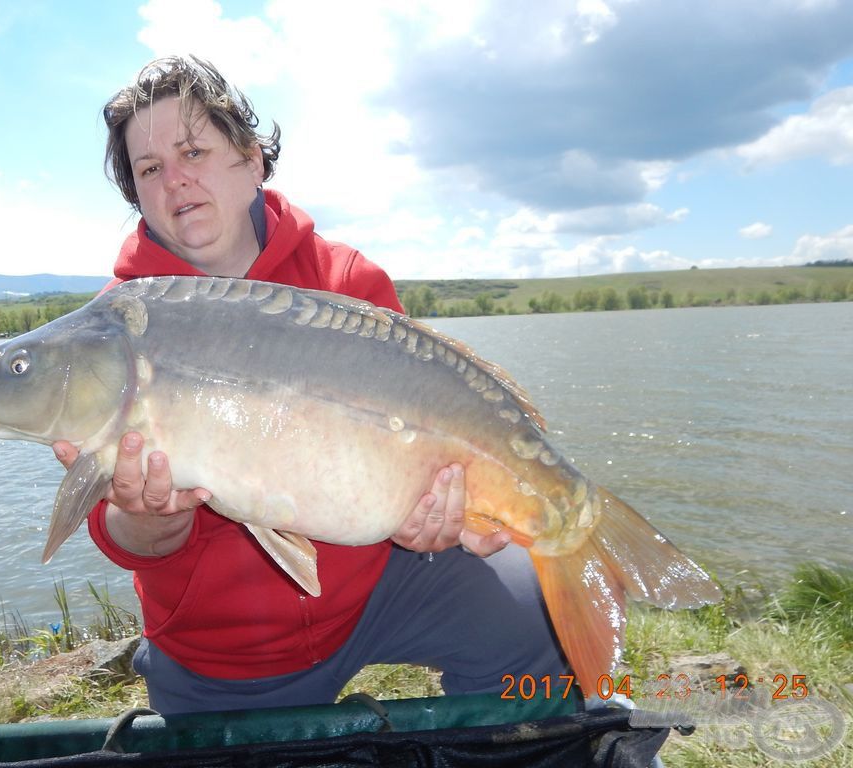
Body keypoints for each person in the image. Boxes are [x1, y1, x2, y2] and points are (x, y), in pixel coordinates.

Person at [53, 56, 569, 715]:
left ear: (250, 159)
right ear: (139, 197)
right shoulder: (109, 338)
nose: (175, 180)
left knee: (537, 607)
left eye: (194, 151)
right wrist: (151, 515)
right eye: (150, 169)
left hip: (377, 591)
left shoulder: (346, 281)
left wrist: (425, 515)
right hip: (224, 653)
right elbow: (123, 536)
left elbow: (422, 440)